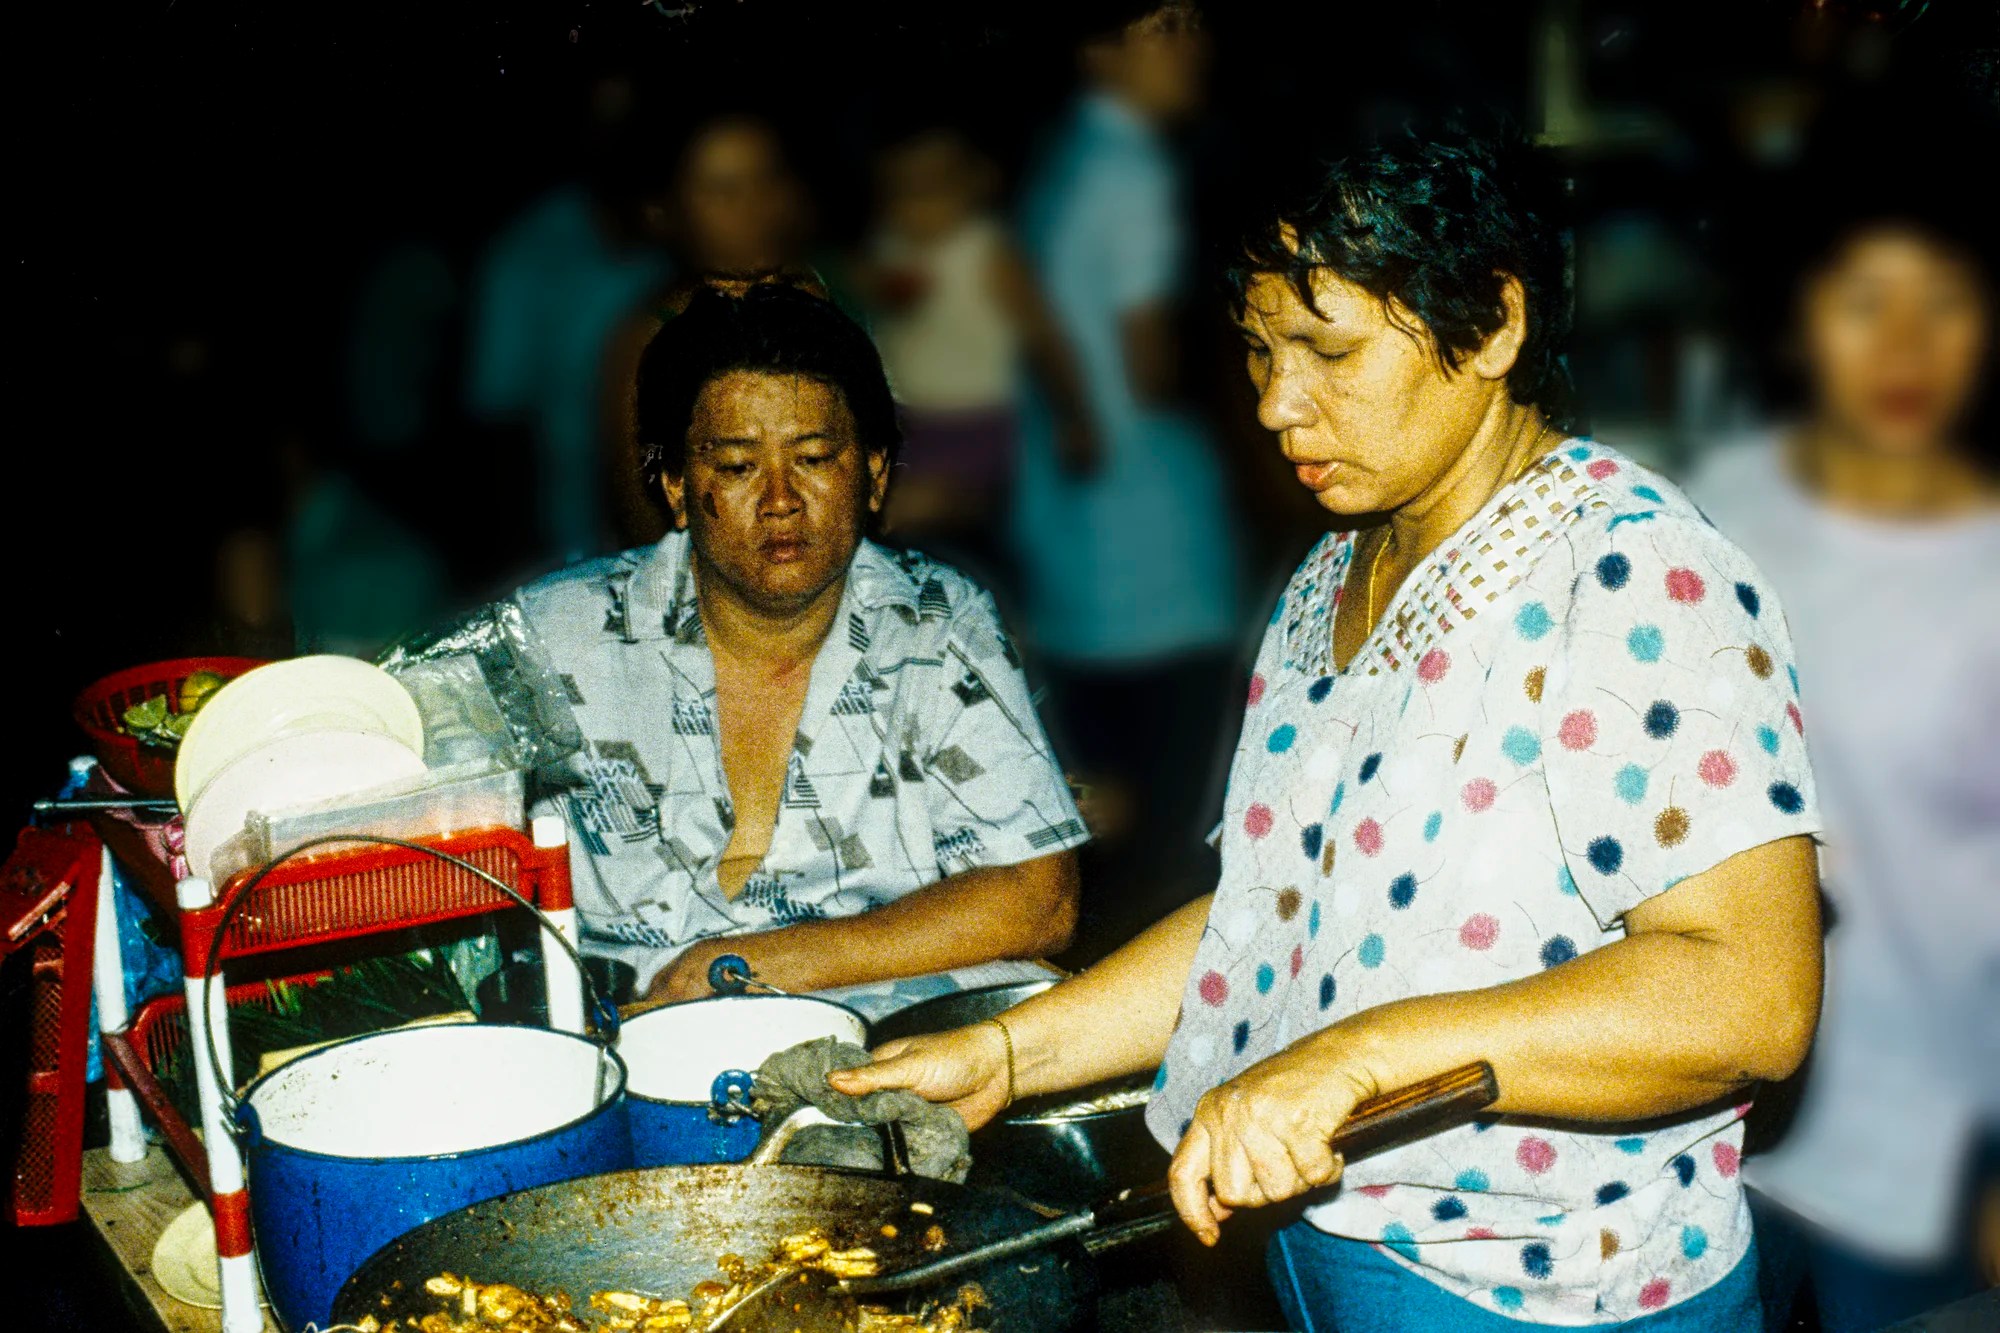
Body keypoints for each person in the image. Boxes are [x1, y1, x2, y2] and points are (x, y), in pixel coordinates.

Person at [833, 129, 1826, 1331]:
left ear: (1493, 326)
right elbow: (1275, 913)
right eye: (1258, 350)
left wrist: (1354, 1058)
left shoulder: (1628, 573)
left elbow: (1746, 996)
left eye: (1328, 349)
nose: (1273, 403)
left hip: (1552, 1295)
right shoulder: (1333, 572)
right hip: (1327, 1262)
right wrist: (1008, 1053)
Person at [514, 285, 1088, 1013]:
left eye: (813, 457)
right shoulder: (553, 636)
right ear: (677, 487)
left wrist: (743, 964)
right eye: (737, 466)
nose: (780, 499)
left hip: (875, 1036)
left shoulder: (937, 624)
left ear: (875, 475)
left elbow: (1038, 897)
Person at [1686, 133, 2000, 1332]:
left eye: (1944, 304)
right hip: (1719, 1127)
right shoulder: (1711, 528)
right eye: (1865, 303)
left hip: (1935, 1144)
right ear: (1799, 319)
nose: (1905, 348)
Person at [1011, 0, 1243, 956]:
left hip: (1075, 529)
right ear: (1099, 48)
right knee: (1177, 825)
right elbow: (1150, 365)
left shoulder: (1065, 160)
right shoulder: (1135, 170)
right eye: (1166, 26)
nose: (1194, 46)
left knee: (1102, 799)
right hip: (1149, 534)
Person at [859, 115, 1097, 582]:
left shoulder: (986, 253)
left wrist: (1075, 416)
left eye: (935, 183)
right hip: (903, 423)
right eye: (903, 188)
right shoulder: (887, 248)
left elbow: (1046, 337)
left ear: (979, 180)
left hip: (974, 427)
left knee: (911, 514)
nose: (919, 201)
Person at [601, 111, 830, 550]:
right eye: (724, 191)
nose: (755, 206)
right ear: (662, 214)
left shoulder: (826, 292)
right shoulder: (648, 344)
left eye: (769, 178)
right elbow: (642, 515)